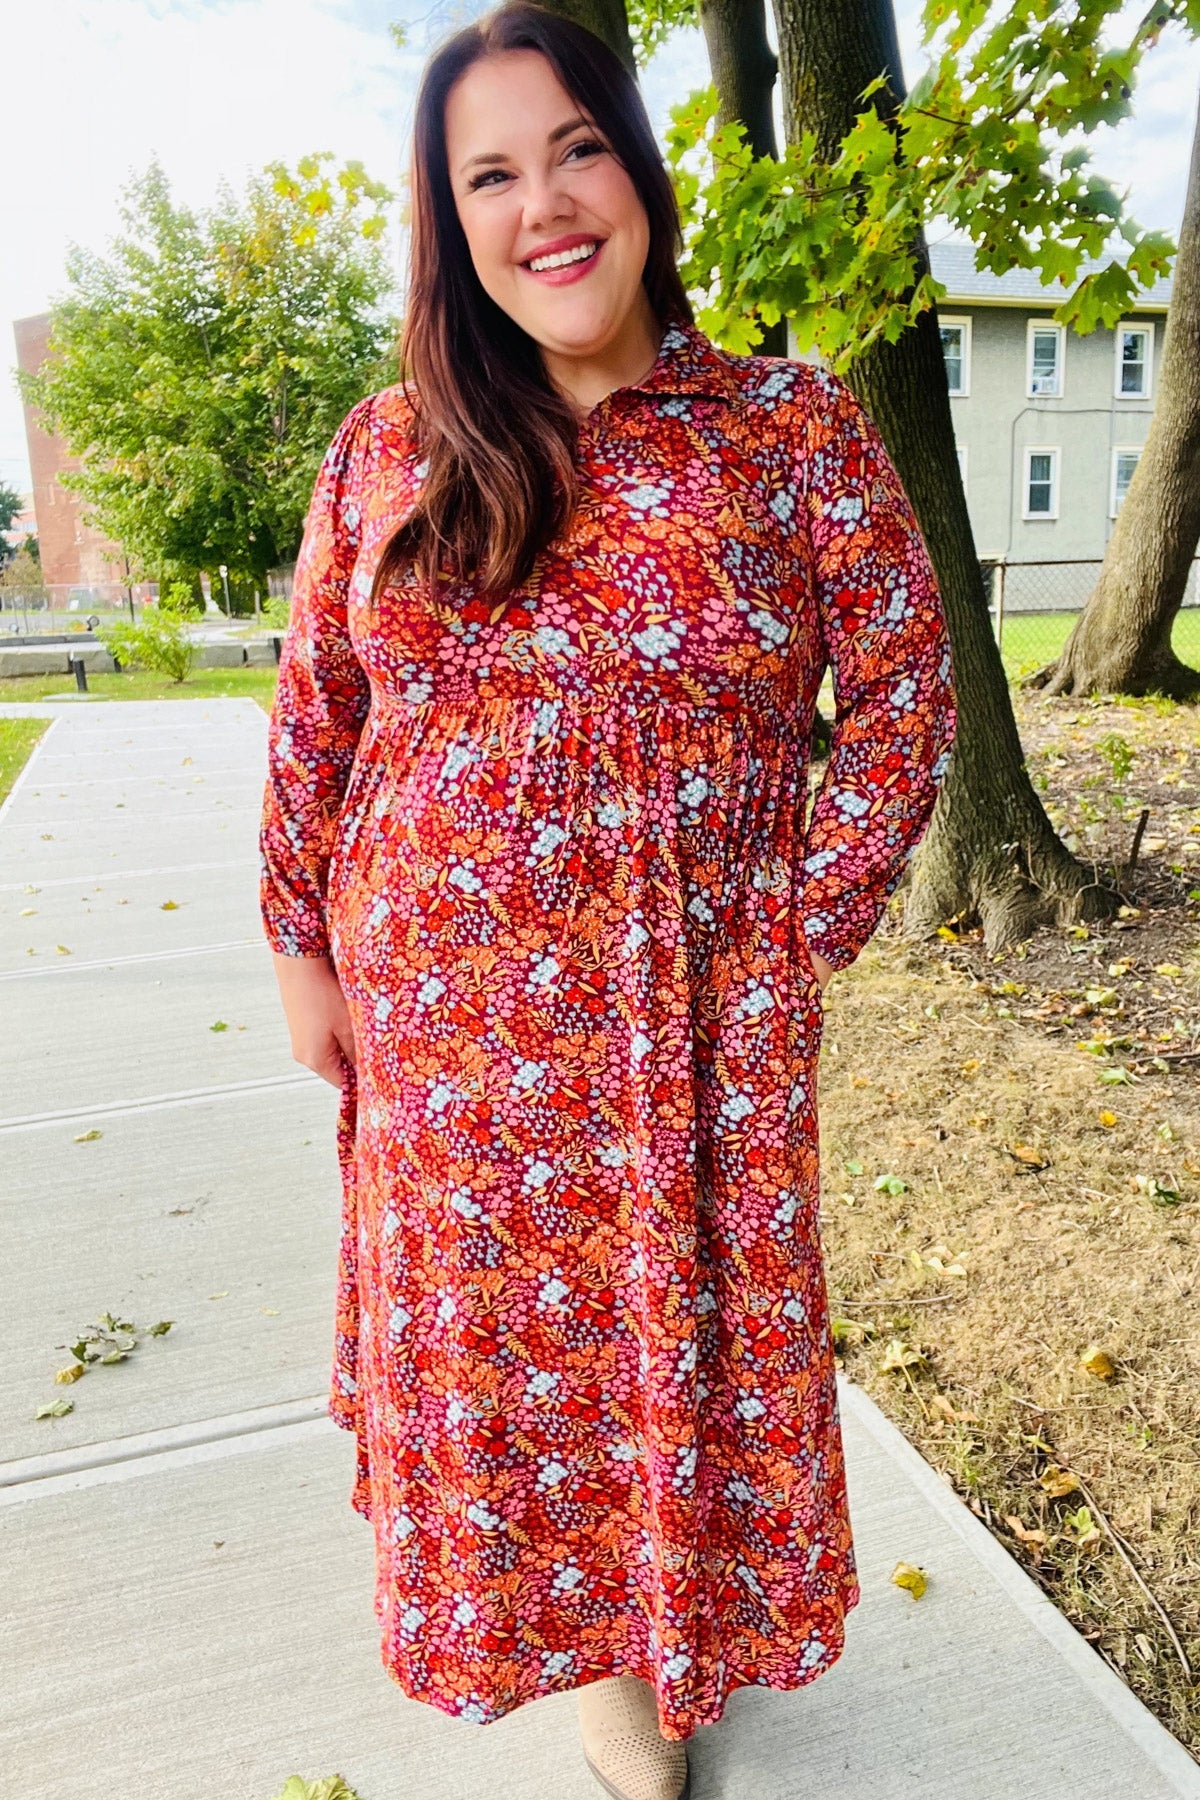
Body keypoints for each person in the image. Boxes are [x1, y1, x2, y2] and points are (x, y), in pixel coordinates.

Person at [259, 5, 958, 1796]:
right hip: (453, 1044)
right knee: (512, 1379)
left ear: (637, 171)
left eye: (575, 147)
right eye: (490, 173)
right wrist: (298, 944)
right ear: (451, 218)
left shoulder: (785, 430)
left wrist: (786, 937)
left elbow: (901, 694)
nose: (545, 205)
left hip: (685, 1040)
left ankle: (674, 1635)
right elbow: (315, 713)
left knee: (679, 1351)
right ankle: (600, 1679)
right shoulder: (388, 448)